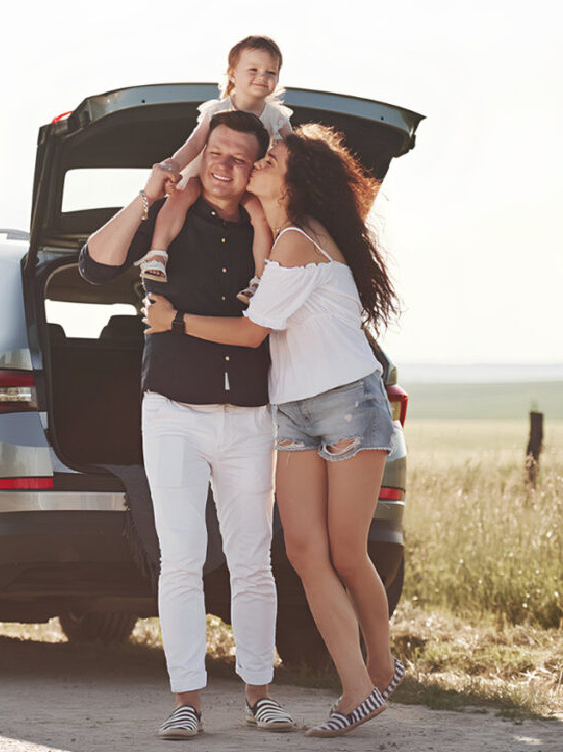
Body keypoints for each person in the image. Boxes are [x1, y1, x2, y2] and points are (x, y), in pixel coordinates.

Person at [144, 124, 407, 738]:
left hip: (346, 402)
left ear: (294, 178)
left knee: (345, 552)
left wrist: (174, 321)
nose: (256, 164)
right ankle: (362, 684)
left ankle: (375, 671)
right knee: (304, 552)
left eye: (269, 159)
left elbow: (250, 333)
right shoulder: (282, 235)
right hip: (292, 409)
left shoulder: (298, 241)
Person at [79, 109, 295, 739]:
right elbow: (96, 265)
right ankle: (187, 702)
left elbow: (264, 330)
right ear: (205, 154)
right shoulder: (169, 217)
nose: (225, 167)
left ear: (255, 167)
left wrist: (177, 322)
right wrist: (151, 190)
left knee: (253, 560)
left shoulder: (270, 228)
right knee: (181, 558)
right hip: (173, 412)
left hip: (250, 415)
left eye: (240, 158)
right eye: (217, 153)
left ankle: (260, 695)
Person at [138, 35, 293, 305]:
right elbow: (194, 144)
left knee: (260, 217)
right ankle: (158, 253)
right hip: (204, 177)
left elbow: (295, 152)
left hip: (243, 182)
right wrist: (173, 166)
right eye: (253, 70)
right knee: (181, 197)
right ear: (232, 74)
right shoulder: (218, 110)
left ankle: (260, 279)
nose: (262, 77)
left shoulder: (276, 117)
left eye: (271, 72)